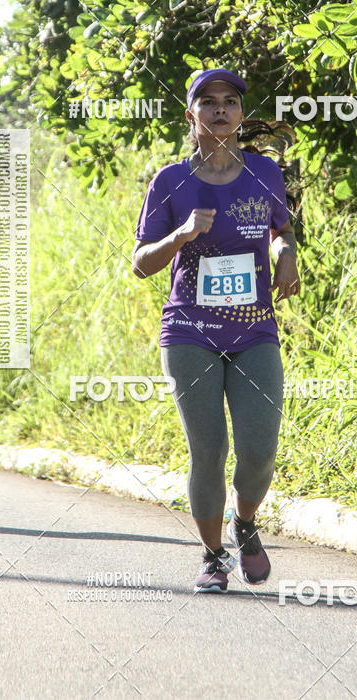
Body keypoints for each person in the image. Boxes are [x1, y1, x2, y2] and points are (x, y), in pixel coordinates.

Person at [132, 68, 300, 593]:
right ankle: (211, 557)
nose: (221, 110)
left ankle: (244, 525)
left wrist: (286, 253)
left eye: (230, 101)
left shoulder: (266, 173)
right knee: (208, 450)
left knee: (260, 448)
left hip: (253, 330)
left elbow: (282, 227)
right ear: (192, 115)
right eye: (209, 102)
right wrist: (181, 235)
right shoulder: (170, 182)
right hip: (190, 331)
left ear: (241, 114)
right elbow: (140, 263)